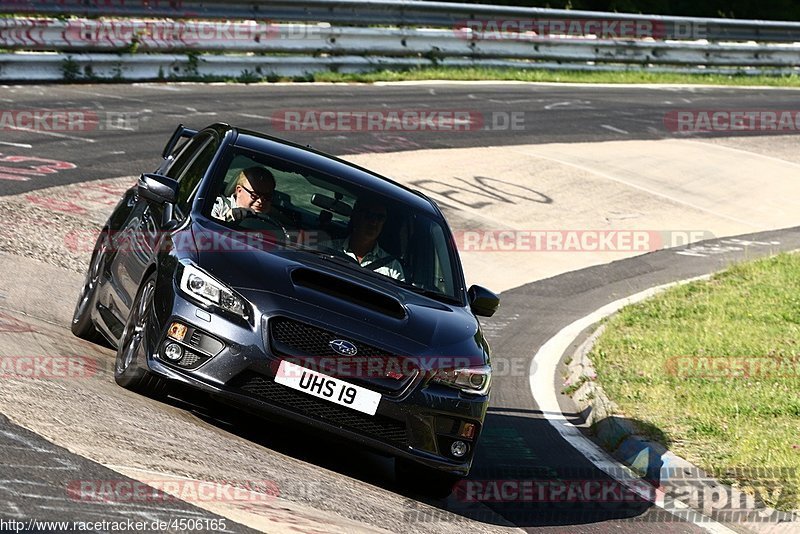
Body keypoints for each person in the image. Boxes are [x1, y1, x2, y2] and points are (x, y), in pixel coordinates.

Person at [329, 197, 405, 281]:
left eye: (380, 217)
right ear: (356, 216)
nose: (374, 222)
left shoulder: (393, 267)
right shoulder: (327, 249)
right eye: (369, 215)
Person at [211, 166, 278, 222]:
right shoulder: (217, 206)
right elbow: (206, 226)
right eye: (255, 194)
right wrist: (226, 218)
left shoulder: (277, 219)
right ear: (239, 191)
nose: (260, 201)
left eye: (267, 196)